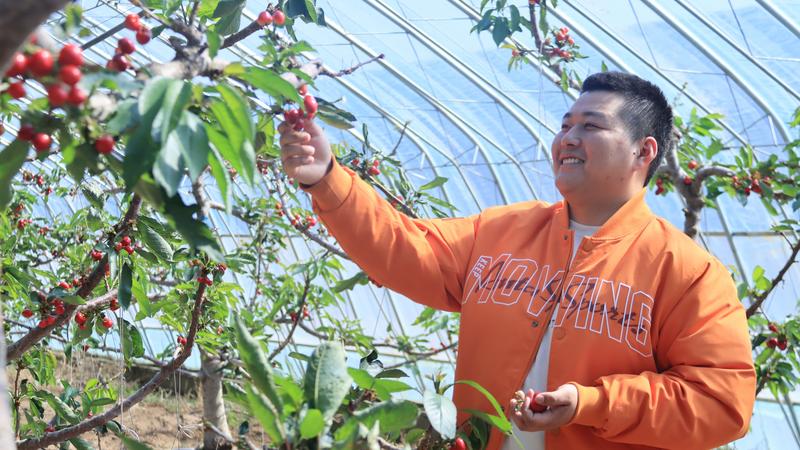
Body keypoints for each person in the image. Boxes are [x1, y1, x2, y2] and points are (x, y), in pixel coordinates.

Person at [278, 71, 756, 450]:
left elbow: (721, 403)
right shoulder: (502, 232)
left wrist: (590, 403)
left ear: (643, 151)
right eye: (565, 125)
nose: (568, 138)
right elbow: (401, 247)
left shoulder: (687, 273)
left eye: (591, 126)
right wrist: (326, 178)